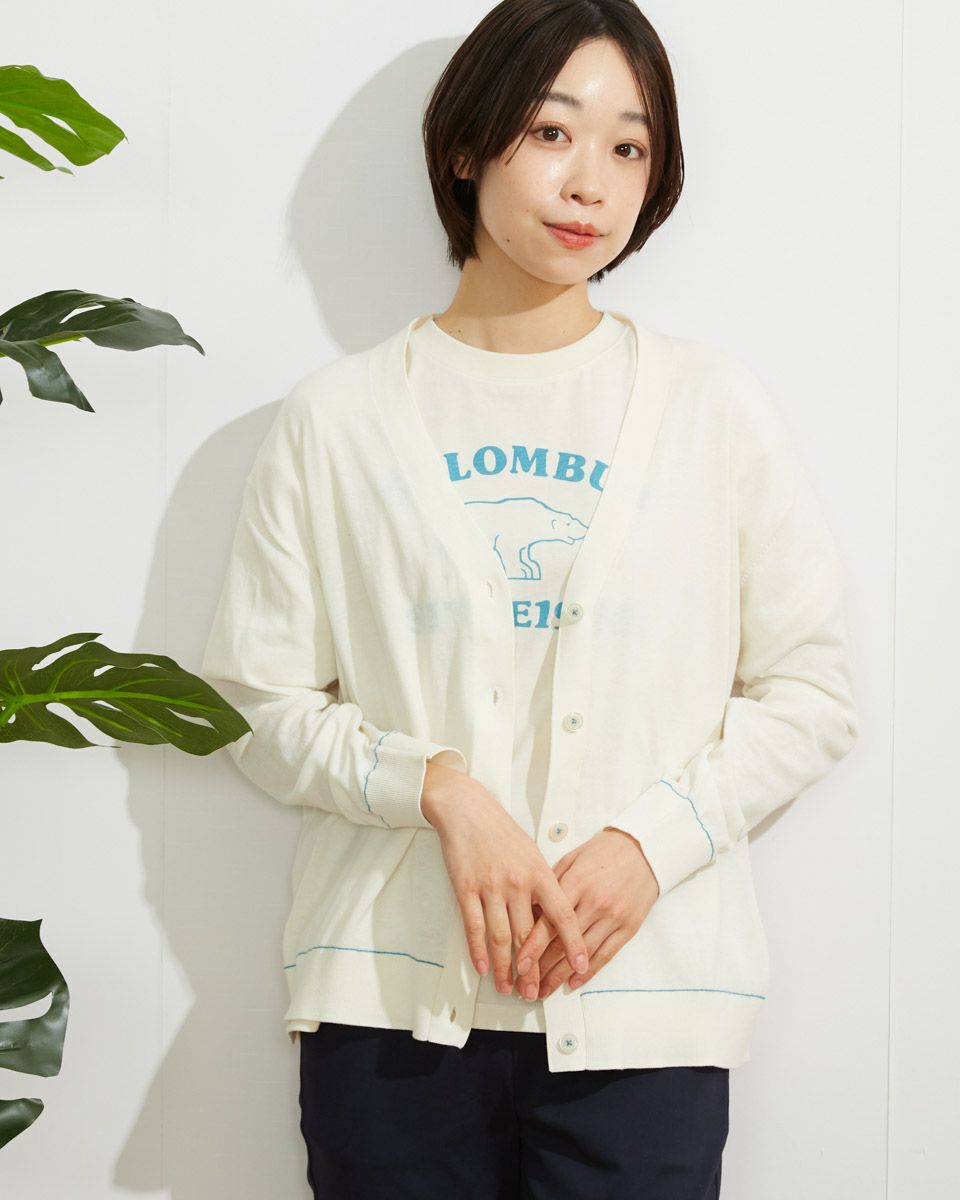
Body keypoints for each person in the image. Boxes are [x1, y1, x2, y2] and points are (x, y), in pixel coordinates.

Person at [200, 1, 860, 1196]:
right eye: (553, 132)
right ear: (467, 146)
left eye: (629, 146)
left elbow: (813, 691)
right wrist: (442, 792)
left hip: (646, 1006)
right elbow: (254, 702)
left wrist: (651, 844)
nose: (591, 183)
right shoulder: (338, 420)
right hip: (389, 1008)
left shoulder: (713, 411)